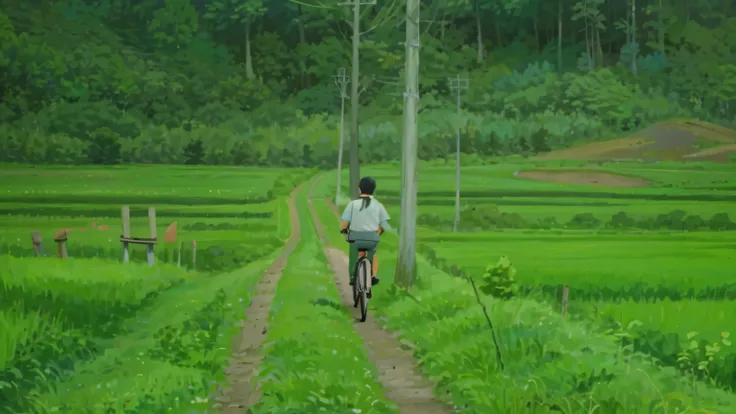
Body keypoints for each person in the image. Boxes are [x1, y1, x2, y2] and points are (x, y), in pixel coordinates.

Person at [339, 176, 391, 296]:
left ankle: (353, 276)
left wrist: (344, 231)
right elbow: (384, 225)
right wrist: (377, 232)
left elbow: (344, 224)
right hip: (372, 238)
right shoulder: (378, 205)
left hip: (355, 238)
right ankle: (372, 276)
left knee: (354, 253)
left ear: (359, 189)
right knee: (372, 253)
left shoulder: (352, 204)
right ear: (374, 190)